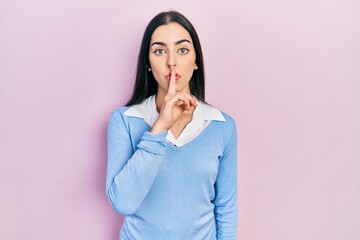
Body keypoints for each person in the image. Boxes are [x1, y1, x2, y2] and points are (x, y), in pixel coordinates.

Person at [106, 10, 238, 240]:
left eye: (183, 50)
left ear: (196, 61)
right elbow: (123, 202)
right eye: (159, 51)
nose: (171, 62)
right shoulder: (124, 120)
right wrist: (160, 128)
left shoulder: (222, 126)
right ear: (148, 63)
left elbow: (226, 208)